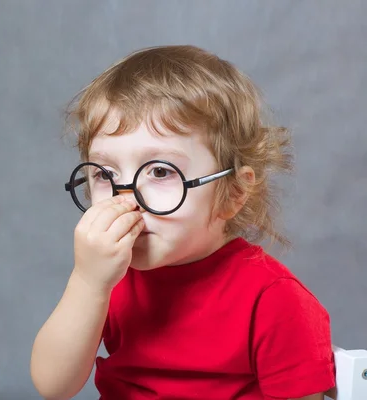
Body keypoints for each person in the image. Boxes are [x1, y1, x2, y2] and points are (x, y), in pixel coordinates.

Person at [30, 45, 336, 399]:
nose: (125, 198)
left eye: (160, 171)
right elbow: (53, 387)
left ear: (234, 192)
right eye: (105, 173)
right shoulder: (110, 276)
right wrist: (87, 283)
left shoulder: (273, 299)